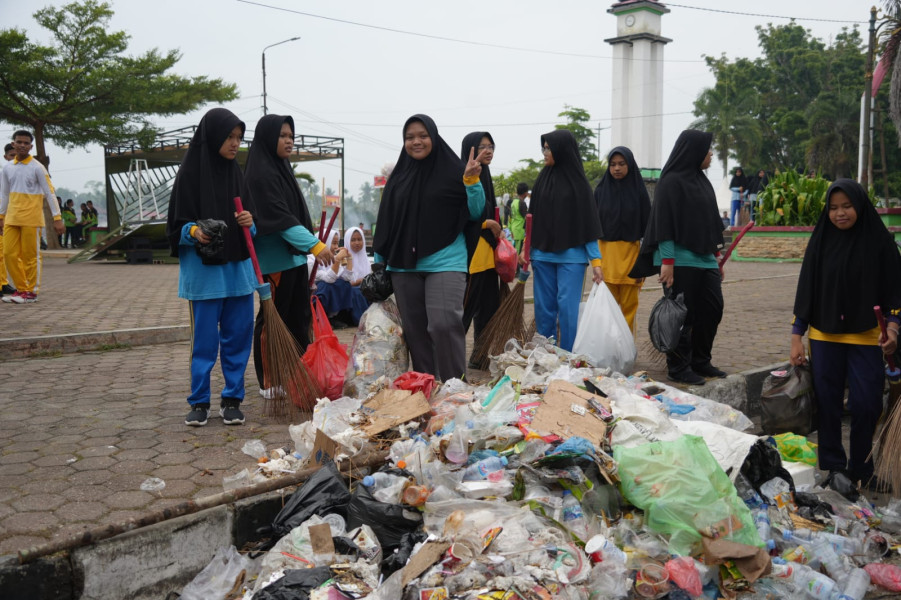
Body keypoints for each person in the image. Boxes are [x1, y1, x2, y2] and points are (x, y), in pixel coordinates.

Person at [790, 179, 901, 490]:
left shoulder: (880, 243)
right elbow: (806, 290)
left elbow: (896, 291)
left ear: (860, 206)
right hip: (824, 337)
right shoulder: (821, 241)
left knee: (867, 405)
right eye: (834, 208)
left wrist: (893, 328)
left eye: (847, 206)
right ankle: (834, 468)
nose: (840, 213)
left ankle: (863, 468)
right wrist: (797, 335)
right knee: (828, 405)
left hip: (867, 338)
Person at [372, 114, 487, 381]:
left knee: (444, 325)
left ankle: (454, 387)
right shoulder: (398, 178)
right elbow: (387, 221)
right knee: (416, 334)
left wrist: (471, 181)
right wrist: (379, 263)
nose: (417, 141)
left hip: (446, 260)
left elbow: (475, 212)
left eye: (423, 136)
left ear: (433, 137)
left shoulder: (455, 172)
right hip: (403, 266)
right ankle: (427, 387)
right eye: (410, 137)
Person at [166, 108, 257, 427]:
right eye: (229, 137)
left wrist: (250, 221)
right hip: (205, 278)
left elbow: (252, 229)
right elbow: (175, 226)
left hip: (238, 275)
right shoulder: (189, 175)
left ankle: (232, 399)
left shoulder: (237, 175)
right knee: (204, 343)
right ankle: (199, 401)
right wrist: (194, 231)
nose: (235, 144)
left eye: (239, 138)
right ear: (213, 136)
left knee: (238, 338)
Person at [242, 114, 332, 396]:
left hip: (294, 261)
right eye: (282, 135)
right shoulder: (260, 174)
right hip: (274, 264)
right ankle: (269, 381)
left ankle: (296, 376)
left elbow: (292, 216)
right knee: (273, 321)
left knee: (298, 320)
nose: (289, 140)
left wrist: (309, 248)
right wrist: (316, 246)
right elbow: (280, 219)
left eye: (291, 135)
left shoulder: (282, 170)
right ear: (268, 138)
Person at [639, 129, 726, 385]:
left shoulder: (702, 182)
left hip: (705, 259)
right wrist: (667, 262)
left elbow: (709, 223)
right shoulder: (670, 181)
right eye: (707, 149)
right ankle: (678, 367)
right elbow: (664, 222)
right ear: (694, 151)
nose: (711, 154)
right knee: (681, 315)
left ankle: (700, 360)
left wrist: (716, 256)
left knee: (712, 309)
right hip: (678, 259)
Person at [528, 129, 604, 352]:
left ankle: (568, 355)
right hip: (542, 256)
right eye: (543, 148)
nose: (544, 153)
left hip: (572, 257)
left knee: (568, 309)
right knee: (544, 309)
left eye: (548, 148)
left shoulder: (579, 184)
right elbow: (532, 220)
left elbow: (589, 224)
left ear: (561, 150)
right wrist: (526, 253)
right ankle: (547, 354)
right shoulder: (541, 180)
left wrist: (596, 262)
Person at [0, 130, 64, 304]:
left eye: (26, 143)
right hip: (12, 218)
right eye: (19, 142)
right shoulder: (7, 168)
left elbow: (50, 193)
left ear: (31, 146)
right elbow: (4, 194)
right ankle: (21, 289)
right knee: (9, 254)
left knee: (30, 256)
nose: (22, 145)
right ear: (13, 144)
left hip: (31, 218)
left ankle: (31, 292)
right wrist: (1, 215)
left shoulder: (37, 167)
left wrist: (57, 218)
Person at [593, 146, 651, 333]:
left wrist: (645, 262)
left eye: (621, 164)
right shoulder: (600, 192)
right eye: (612, 164)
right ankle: (607, 346)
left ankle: (625, 346)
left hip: (631, 259)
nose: (617, 168)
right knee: (606, 310)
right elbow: (592, 227)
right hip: (606, 259)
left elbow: (648, 228)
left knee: (628, 309)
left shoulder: (639, 193)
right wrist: (594, 263)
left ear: (630, 165)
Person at [459, 131, 502, 363]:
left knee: (488, 310)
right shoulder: (463, 176)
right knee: (464, 311)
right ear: (471, 150)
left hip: (488, 257)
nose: (488, 151)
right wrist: (487, 223)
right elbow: (460, 216)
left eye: (491, 146)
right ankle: (452, 359)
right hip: (472, 257)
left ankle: (480, 358)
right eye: (482, 146)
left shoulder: (485, 175)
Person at [309, 229, 369, 327]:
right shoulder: (311, 260)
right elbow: (329, 279)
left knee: (344, 284)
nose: (336, 247)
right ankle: (318, 317)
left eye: (337, 243)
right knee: (326, 285)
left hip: (328, 293)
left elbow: (347, 278)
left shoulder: (333, 258)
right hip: (312, 296)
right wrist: (337, 259)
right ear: (324, 243)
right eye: (333, 243)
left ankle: (332, 318)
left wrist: (349, 258)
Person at [0, 144, 15, 296]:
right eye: (11, 155)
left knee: (5, 253)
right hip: (2, 215)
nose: (14, 158)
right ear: (5, 157)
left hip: (13, 215)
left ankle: (3, 283)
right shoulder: (3, 173)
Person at [510, 182, 529, 254]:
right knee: (519, 253)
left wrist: (511, 230)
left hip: (514, 229)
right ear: (525, 193)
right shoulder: (522, 203)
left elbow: (510, 217)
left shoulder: (513, 202)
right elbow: (526, 218)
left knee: (515, 251)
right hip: (520, 231)